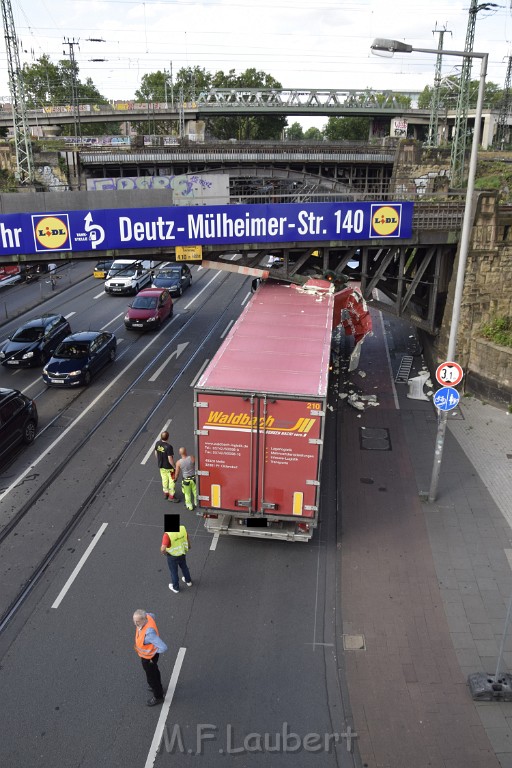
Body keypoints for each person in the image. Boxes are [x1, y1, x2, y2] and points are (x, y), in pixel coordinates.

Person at [132, 609, 168, 706]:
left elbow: (163, 647)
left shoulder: (149, 634)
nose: (135, 623)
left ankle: (158, 696)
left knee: (151, 676)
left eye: (137, 621)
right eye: (134, 620)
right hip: (149, 656)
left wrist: (153, 653)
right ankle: (157, 687)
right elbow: (153, 615)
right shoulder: (148, 616)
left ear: (144, 619)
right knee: (154, 671)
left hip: (149, 658)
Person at [161, 519, 192, 593]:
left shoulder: (167, 534)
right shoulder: (182, 529)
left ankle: (176, 588)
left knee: (174, 572)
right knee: (184, 567)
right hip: (182, 553)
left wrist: (164, 553)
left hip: (172, 556)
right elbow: (187, 539)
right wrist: (189, 546)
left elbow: (163, 549)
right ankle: (188, 581)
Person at [154, 431, 178, 501]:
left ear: (161, 437)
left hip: (161, 466)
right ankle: (171, 496)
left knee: (164, 480)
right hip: (169, 468)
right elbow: (170, 459)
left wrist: (159, 461)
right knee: (172, 481)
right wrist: (174, 467)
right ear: (168, 438)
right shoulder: (169, 447)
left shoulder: (157, 443)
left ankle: (166, 493)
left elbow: (156, 453)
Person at [174, 447, 197, 511]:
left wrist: (175, 479)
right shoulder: (192, 458)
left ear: (179, 453)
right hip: (194, 478)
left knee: (187, 494)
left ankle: (189, 506)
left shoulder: (178, 463)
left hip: (186, 480)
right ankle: (196, 503)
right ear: (186, 451)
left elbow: (177, 473)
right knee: (195, 492)